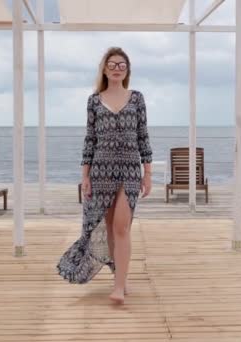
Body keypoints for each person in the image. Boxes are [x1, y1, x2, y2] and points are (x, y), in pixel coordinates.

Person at [57, 47, 153, 305]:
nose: (117, 68)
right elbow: (90, 140)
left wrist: (148, 174)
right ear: (105, 68)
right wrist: (85, 176)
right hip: (101, 171)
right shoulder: (94, 101)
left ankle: (119, 286)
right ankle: (119, 278)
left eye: (122, 64)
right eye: (112, 64)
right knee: (110, 228)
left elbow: (143, 136)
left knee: (122, 226)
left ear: (127, 69)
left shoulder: (137, 98)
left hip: (130, 171)